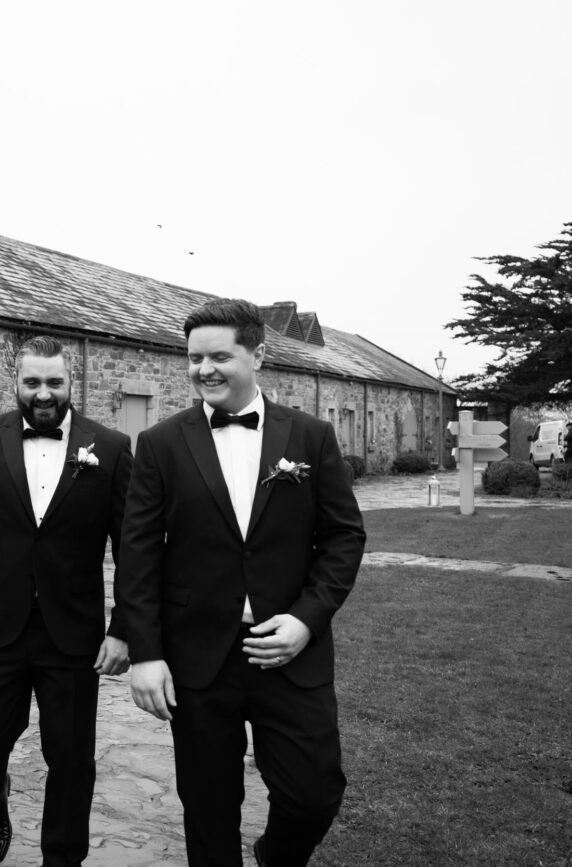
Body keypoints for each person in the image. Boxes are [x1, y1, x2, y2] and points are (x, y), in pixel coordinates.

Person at [117, 298, 366, 867]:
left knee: (313, 794)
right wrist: (146, 653)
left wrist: (306, 619)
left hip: (288, 654)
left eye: (219, 356)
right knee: (207, 809)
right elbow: (137, 553)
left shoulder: (311, 436)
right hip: (198, 657)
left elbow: (343, 539)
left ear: (258, 355)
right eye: (194, 357)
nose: (204, 369)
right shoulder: (159, 443)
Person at [0, 335, 133, 866]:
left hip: (73, 630)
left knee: (70, 757)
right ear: (15, 382)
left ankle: (62, 858)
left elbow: (132, 545)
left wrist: (123, 626)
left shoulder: (108, 447)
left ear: (70, 384)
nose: (44, 393)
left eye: (55, 382)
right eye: (33, 382)